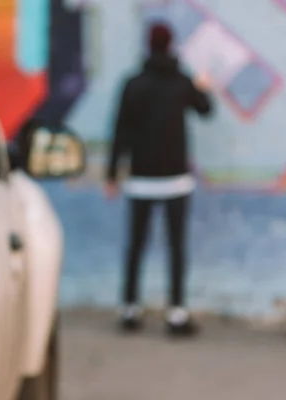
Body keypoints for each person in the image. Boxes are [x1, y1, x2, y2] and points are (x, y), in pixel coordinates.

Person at [105, 22, 213, 336]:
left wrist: (112, 175)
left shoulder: (133, 84)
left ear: (148, 45)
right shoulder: (182, 82)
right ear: (171, 45)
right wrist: (203, 87)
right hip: (176, 180)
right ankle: (176, 314)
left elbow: (120, 131)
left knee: (136, 245)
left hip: (141, 179)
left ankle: (130, 309)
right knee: (176, 246)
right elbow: (205, 110)